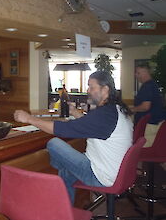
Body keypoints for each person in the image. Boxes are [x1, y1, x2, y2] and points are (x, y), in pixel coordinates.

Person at [14, 71, 133, 204]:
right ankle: (65, 213)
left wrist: (29, 118)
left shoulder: (105, 116)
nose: (88, 90)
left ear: (105, 89)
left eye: (91, 87)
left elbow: (62, 130)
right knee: (66, 173)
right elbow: (91, 125)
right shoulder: (114, 110)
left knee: (54, 143)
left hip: (102, 176)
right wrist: (75, 113)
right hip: (117, 173)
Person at [131, 63, 165, 147]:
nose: (136, 75)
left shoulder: (148, 86)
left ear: (145, 72)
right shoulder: (153, 85)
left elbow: (145, 106)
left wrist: (130, 109)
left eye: (138, 73)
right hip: (155, 122)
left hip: (150, 124)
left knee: (145, 148)